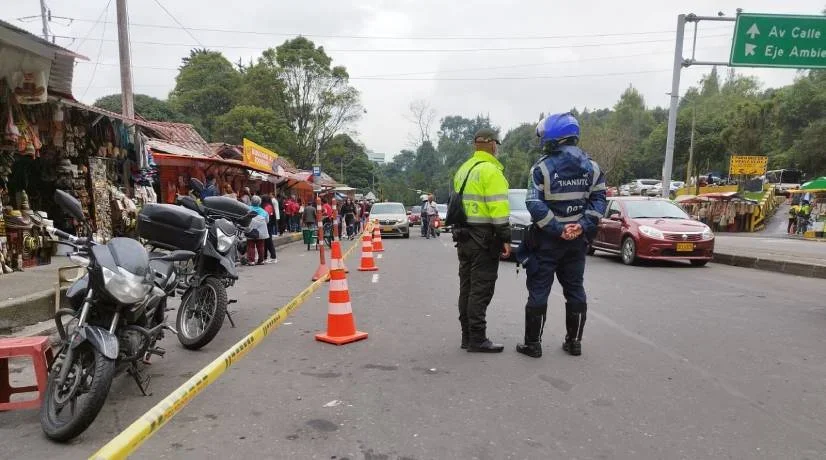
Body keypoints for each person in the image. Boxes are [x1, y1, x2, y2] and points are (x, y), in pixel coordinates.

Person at [515, 112, 607, 358]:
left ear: (553, 137)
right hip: (577, 242)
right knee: (575, 289)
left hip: (547, 242)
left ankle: (532, 345)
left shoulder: (541, 168)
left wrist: (557, 228)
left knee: (539, 291)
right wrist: (581, 226)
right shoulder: (593, 167)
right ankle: (574, 342)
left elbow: (534, 204)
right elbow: (599, 200)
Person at [452, 127, 511, 353]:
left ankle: (467, 336)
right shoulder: (491, 171)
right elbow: (498, 210)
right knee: (481, 290)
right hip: (484, 239)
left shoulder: (464, 169)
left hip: (464, 238)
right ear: (492, 145)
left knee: (466, 288)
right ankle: (478, 338)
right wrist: (505, 238)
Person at [246, 196, 270, 265]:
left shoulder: (247, 210)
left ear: (251, 201)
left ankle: (251, 261)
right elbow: (267, 221)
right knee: (261, 246)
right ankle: (261, 260)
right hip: (261, 231)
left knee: (250, 246)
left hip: (250, 230)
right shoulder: (264, 212)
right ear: (259, 203)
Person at [261, 195, 278, 263]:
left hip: (266, 225)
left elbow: (266, 217)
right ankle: (265, 257)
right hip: (269, 225)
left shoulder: (266, 206)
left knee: (268, 241)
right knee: (266, 241)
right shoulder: (270, 205)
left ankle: (272, 256)